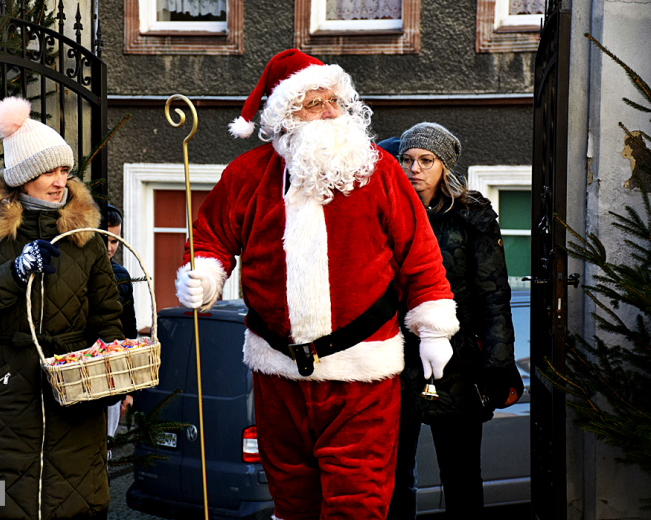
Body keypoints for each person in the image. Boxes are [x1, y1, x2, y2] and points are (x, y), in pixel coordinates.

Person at [174, 49, 460, 520]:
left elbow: (419, 252)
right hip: (277, 375)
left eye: (335, 101)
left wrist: (433, 327)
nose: (331, 113)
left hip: (361, 376)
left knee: (358, 503)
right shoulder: (246, 176)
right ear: (285, 115)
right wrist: (203, 277)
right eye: (315, 103)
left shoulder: (379, 171)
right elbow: (211, 238)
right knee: (292, 500)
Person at [0, 97, 124, 520]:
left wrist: (115, 365)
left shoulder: (87, 236)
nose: (60, 180)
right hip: (2, 394)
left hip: (74, 402)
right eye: (49, 170)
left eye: (64, 169)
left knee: (74, 504)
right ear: (23, 176)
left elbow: (107, 316)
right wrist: (15, 270)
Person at [386, 122, 525, 519]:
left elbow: (494, 296)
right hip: (397, 360)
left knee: (461, 476)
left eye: (425, 160)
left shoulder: (472, 217)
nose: (414, 168)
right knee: (393, 476)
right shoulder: (388, 214)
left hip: (459, 362)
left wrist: (498, 364)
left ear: (444, 167)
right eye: (407, 159)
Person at [105, 204, 136, 437]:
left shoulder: (122, 276)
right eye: (105, 238)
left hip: (114, 379)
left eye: (115, 241)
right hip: (83, 370)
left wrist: (129, 388)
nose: (110, 247)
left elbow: (129, 332)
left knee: (106, 445)